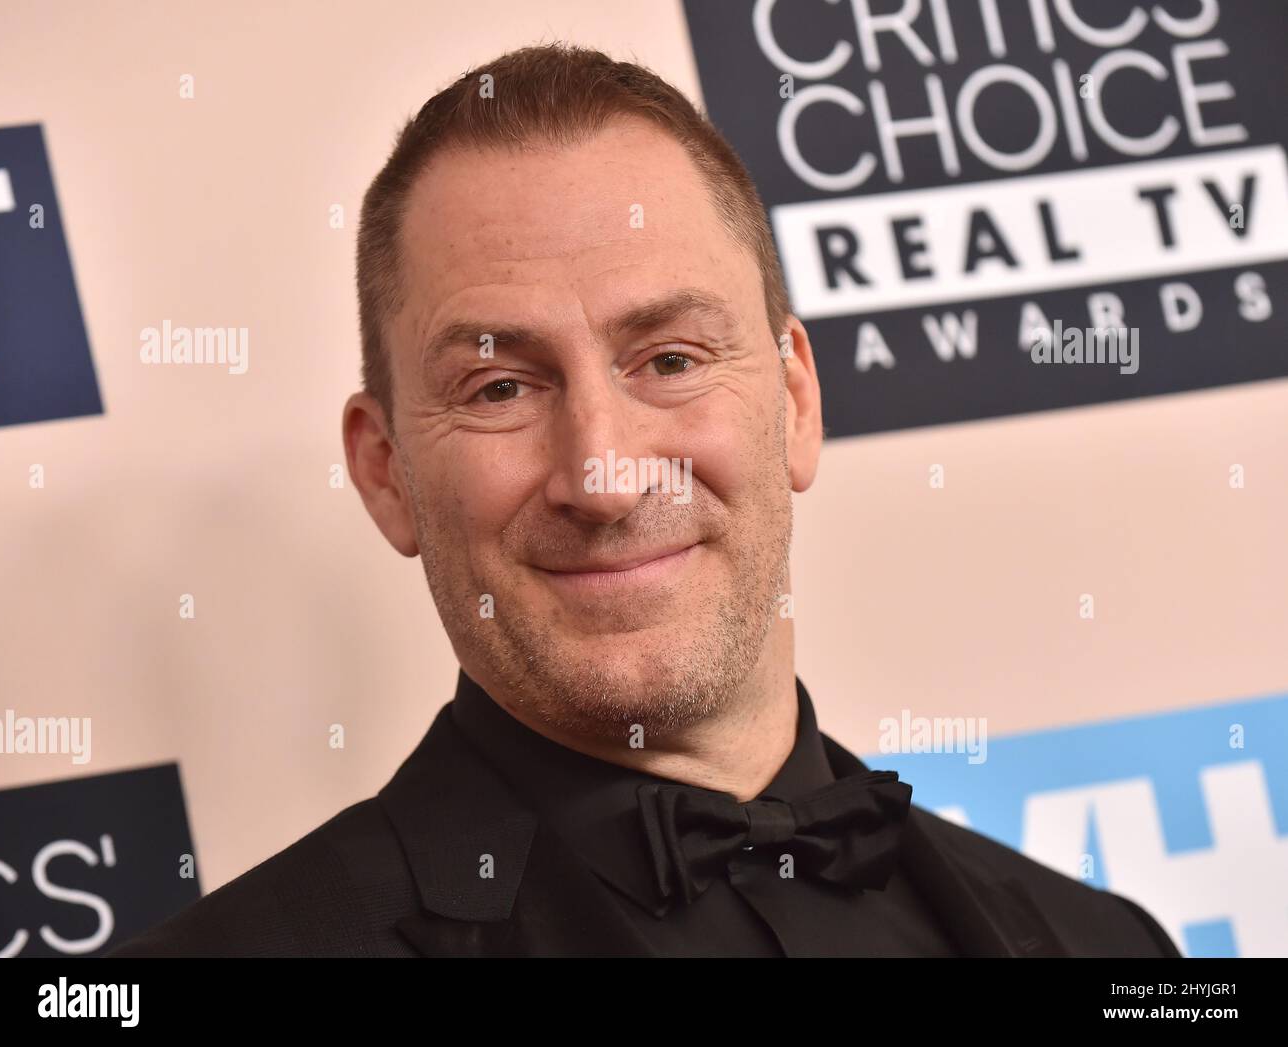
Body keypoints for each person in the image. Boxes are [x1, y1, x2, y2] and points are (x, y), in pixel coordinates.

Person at [108, 43, 1180, 958]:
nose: (604, 476)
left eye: (669, 359)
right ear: (385, 472)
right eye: (500, 386)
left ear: (794, 401)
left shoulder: (1102, 945)